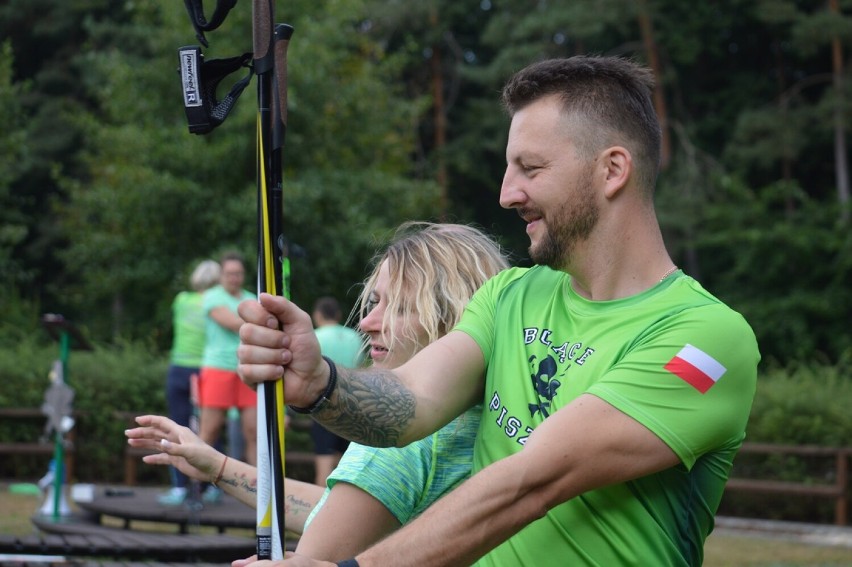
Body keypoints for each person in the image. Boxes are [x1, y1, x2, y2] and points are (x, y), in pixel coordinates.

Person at [236, 56, 761, 566]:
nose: (508, 194)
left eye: (530, 168)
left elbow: (532, 480)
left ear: (613, 170)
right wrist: (319, 383)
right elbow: (412, 400)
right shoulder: (511, 294)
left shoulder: (706, 340)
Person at [125, 222, 509, 560]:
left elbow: (322, 544)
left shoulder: (401, 439)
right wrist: (219, 468)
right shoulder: (489, 416)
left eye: (402, 307)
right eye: (374, 302)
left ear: (457, 318)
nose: (368, 322)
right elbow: (342, 512)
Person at [158, 259, 221, 506]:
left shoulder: (181, 300)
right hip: (205, 368)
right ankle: (211, 486)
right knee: (209, 428)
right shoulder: (217, 303)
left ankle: (179, 487)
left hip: (178, 368)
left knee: (177, 427)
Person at [198, 250, 257, 503]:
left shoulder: (251, 298)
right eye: (230, 273)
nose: (234, 278)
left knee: (254, 433)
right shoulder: (212, 296)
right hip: (217, 369)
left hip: (247, 369)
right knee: (209, 431)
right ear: (221, 275)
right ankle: (196, 490)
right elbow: (232, 323)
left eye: (238, 273)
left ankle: (259, 491)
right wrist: (257, 325)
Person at [309, 296, 364, 486]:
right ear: (338, 314)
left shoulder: (314, 337)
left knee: (323, 466)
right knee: (347, 472)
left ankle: (318, 511)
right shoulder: (354, 336)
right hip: (351, 407)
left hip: (323, 407)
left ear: (317, 315)